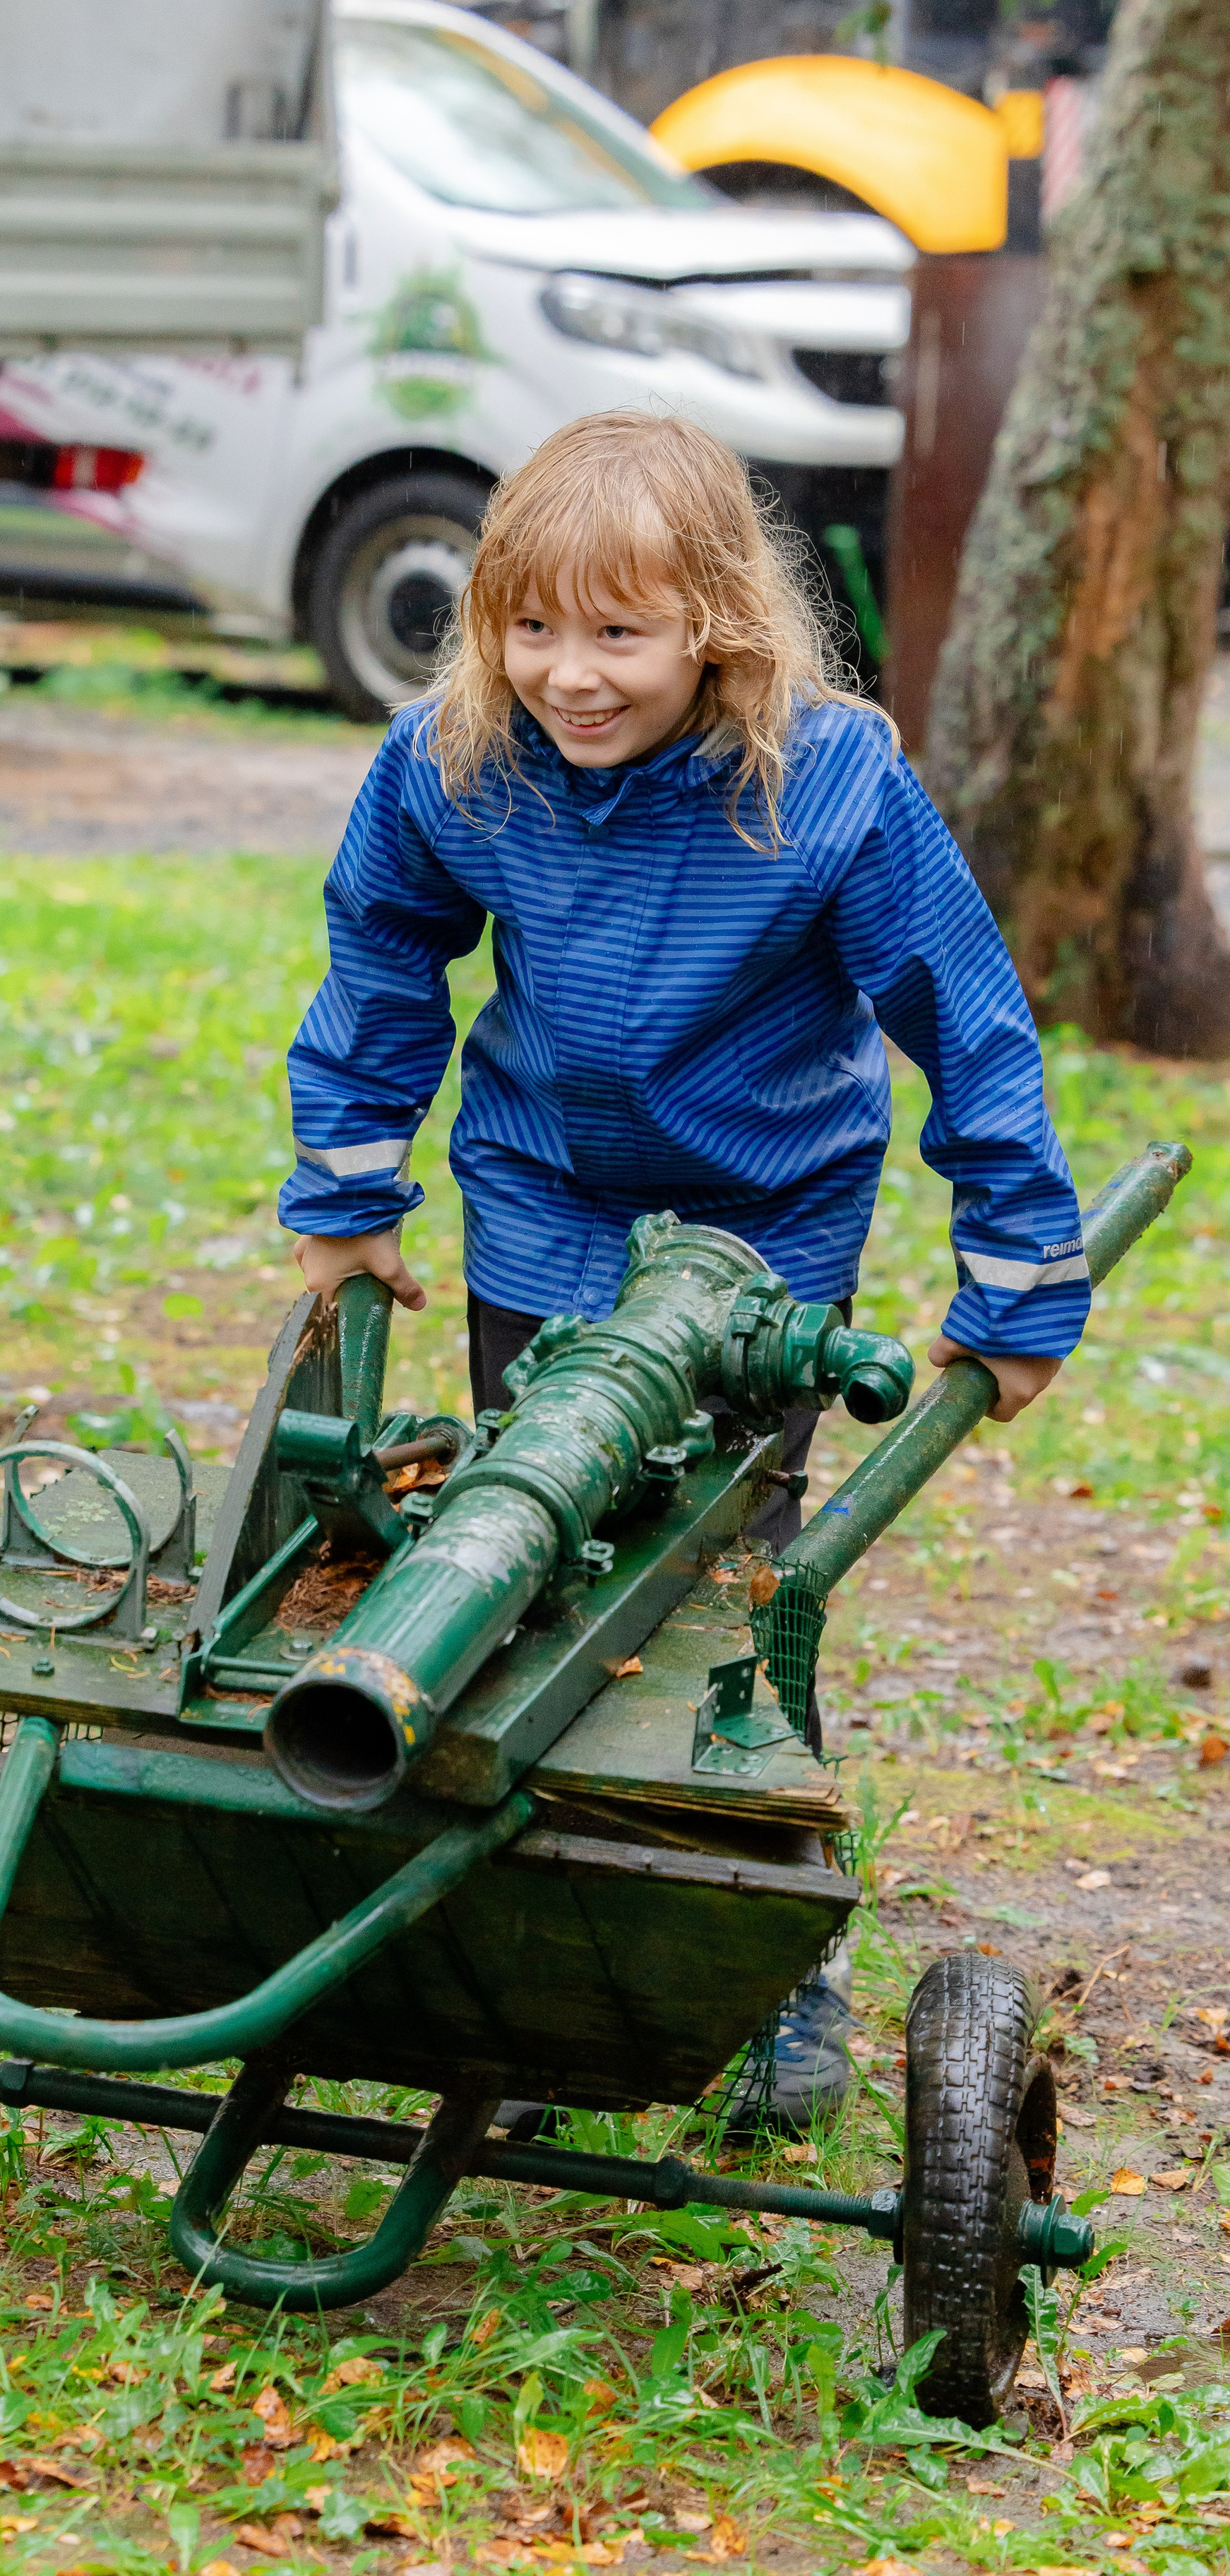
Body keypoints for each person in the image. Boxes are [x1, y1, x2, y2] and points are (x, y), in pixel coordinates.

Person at [276, 410, 1089, 2125]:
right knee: (521, 1558)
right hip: (545, 1198)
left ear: (715, 618)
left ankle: (771, 1952)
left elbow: (964, 1017)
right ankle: (523, 1941)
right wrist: (348, 1184)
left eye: (617, 631)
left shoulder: (827, 783)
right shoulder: (456, 757)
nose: (568, 674)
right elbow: (381, 953)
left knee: (720, 1594)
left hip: (758, 1227)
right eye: (530, 625)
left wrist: (1017, 1269)